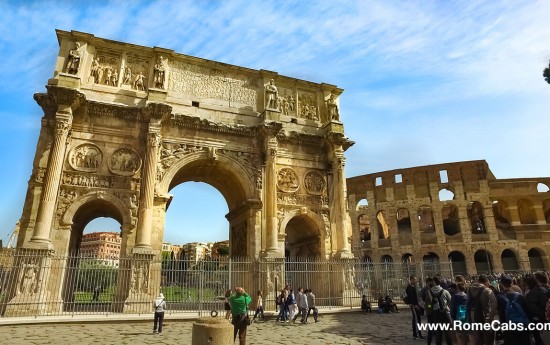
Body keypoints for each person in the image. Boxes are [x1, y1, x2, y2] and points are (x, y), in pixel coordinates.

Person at [496, 275, 530, 345]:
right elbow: (527, 311)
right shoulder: (519, 296)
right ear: (511, 283)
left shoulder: (499, 297)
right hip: (523, 325)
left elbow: (501, 314)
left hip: (509, 327)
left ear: (501, 284)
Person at [467, 275, 497, 345]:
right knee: (489, 339)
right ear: (486, 282)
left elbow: (468, 302)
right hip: (485, 316)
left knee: (478, 339)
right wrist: (491, 316)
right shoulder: (487, 290)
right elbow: (494, 303)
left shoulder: (469, 289)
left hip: (473, 316)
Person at [405, 275, 424, 340]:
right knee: (416, 319)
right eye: (415, 279)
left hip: (416, 305)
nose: (416, 280)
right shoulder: (410, 287)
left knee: (418, 319)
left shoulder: (413, 286)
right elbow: (411, 297)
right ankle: (417, 335)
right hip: (414, 305)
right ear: (411, 280)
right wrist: (414, 304)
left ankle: (417, 334)